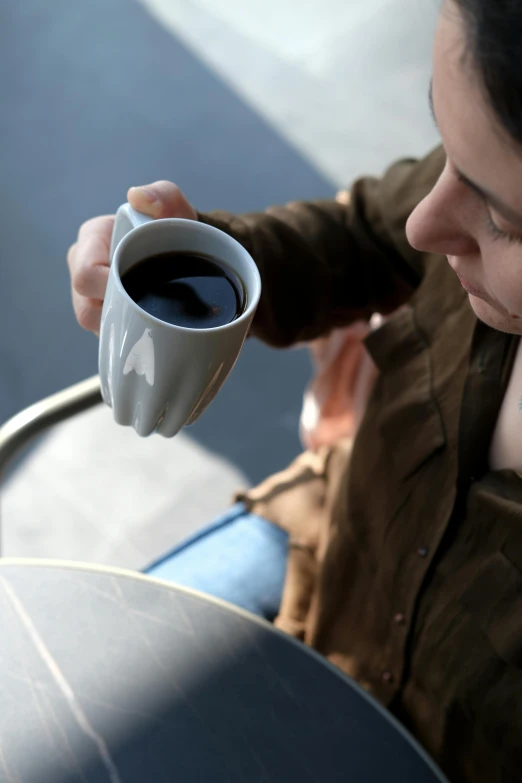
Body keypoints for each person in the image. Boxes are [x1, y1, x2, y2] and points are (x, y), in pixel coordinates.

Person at [67, 1, 522, 779]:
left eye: (503, 219)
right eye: (444, 151)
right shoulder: (460, 201)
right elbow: (366, 235)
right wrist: (206, 252)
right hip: (321, 552)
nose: (425, 223)